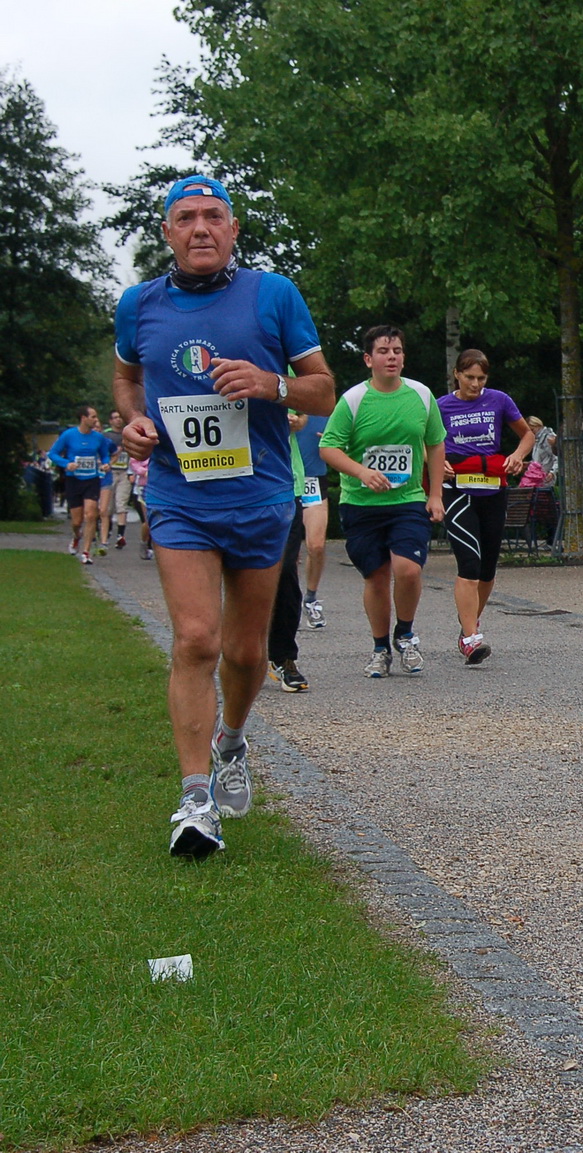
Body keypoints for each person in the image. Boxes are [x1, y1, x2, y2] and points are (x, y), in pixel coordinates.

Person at [113, 174, 335, 858]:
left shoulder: (273, 294)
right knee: (196, 640)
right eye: (186, 218)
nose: (201, 227)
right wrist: (133, 420)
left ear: (234, 229)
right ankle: (194, 799)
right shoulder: (138, 304)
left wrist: (271, 383)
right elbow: (126, 377)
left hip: (260, 497)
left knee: (245, 652)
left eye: (214, 215)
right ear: (168, 233)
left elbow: (324, 392)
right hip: (180, 498)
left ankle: (231, 741)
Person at [319, 325, 446, 677]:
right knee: (376, 577)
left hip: (408, 500)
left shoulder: (421, 395)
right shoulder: (353, 400)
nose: (392, 357)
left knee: (408, 569)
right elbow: (328, 447)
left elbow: (436, 444)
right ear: (368, 359)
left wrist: (435, 494)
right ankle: (380, 649)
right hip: (361, 504)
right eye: (384, 351)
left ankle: (404, 634)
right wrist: (362, 472)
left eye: (397, 351)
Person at [437, 348, 533, 664]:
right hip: (457, 490)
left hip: (492, 489)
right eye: (469, 377)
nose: (476, 384)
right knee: (470, 562)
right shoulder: (441, 406)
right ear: (456, 374)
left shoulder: (499, 400)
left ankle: (470, 623)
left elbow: (527, 435)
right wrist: (435, 462)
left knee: (488, 566)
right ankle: (470, 639)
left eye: (481, 378)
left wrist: (517, 456)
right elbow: (422, 441)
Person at [266, 412, 314, 692]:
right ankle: (242, 653)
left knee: (284, 570)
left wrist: (299, 420)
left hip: (284, 484)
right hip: (234, 483)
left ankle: (283, 657)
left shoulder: (279, 379)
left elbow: (305, 409)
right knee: (241, 574)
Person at [46, 405, 111, 563]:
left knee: (91, 514)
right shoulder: (68, 435)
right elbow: (53, 453)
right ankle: (76, 536)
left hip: (92, 479)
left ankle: (86, 552)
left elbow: (105, 454)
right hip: (74, 480)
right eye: (93, 417)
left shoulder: (98, 437)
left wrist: (106, 464)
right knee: (77, 522)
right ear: (83, 418)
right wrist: (66, 464)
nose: (96, 420)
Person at [292, 408, 331, 627]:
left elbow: (347, 443)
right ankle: (284, 603)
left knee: (316, 546)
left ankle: (310, 599)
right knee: (286, 553)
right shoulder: (277, 403)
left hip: (313, 481)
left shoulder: (324, 410)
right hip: (284, 480)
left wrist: (334, 444)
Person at [101, 410, 136, 551]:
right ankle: (107, 530)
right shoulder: (106, 436)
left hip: (124, 472)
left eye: (120, 417)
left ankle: (120, 536)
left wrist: (132, 471)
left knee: (121, 503)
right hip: (110, 472)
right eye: (115, 418)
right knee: (108, 506)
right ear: (110, 421)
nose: (118, 420)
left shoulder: (128, 433)